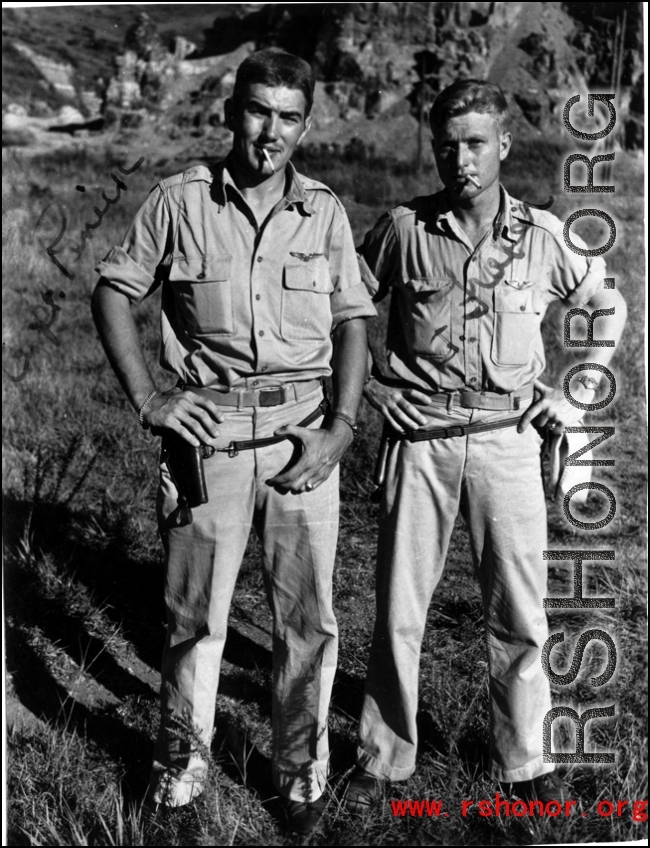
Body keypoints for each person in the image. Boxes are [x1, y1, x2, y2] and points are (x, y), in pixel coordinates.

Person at [91, 48, 375, 833]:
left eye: (288, 117)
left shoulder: (324, 212)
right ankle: (180, 772)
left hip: (301, 442)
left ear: (306, 125)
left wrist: (341, 429)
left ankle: (299, 775)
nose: (269, 132)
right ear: (231, 112)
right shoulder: (180, 201)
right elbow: (113, 289)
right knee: (195, 620)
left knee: (308, 621)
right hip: (207, 443)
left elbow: (355, 321)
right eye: (257, 111)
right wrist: (150, 396)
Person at [345, 78, 626, 810]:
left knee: (520, 612)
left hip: (507, 441)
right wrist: (376, 390)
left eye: (475, 144)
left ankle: (524, 763)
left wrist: (575, 390)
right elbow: (339, 311)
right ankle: (385, 758)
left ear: (502, 146)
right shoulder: (403, 229)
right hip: (420, 444)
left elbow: (609, 303)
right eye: (447, 146)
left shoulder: (541, 235)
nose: (460, 160)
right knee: (400, 609)